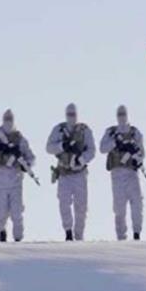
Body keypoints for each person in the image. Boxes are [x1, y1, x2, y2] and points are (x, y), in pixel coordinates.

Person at [0, 109, 36, 242]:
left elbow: (32, 158)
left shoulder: (20, 139)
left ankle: (18, 239)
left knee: (17, 212)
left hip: (16, 179)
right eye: (6, 119)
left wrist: (25, 164)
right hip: (0, 180)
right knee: (1, 212)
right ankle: (2, 232)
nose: (8, 122)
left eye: (10, 119)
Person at [46, 103, 95, 241]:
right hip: (64, 173)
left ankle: (79, 235)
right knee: (64, 203)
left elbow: (92, 150)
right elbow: (48, 148)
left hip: (79, 173)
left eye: (73, 115)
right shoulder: (59, 130)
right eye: (69, 115)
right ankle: (68, 232)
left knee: (81, 207)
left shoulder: (85, 130)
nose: (71, 117)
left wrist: (81, 159)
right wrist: (61, 146)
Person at [99, 105, 145, 241]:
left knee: (137, 203)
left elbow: (142, 153)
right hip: (117, 173)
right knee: (119, 207)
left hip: (131, 172)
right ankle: (121, 237)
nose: (122, 117)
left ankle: (137, 233)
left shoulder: (135, 132)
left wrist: (135, 155)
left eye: (123, 114)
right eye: (119, 114)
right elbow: (102, 148)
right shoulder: (111, 132)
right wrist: (115, 143)